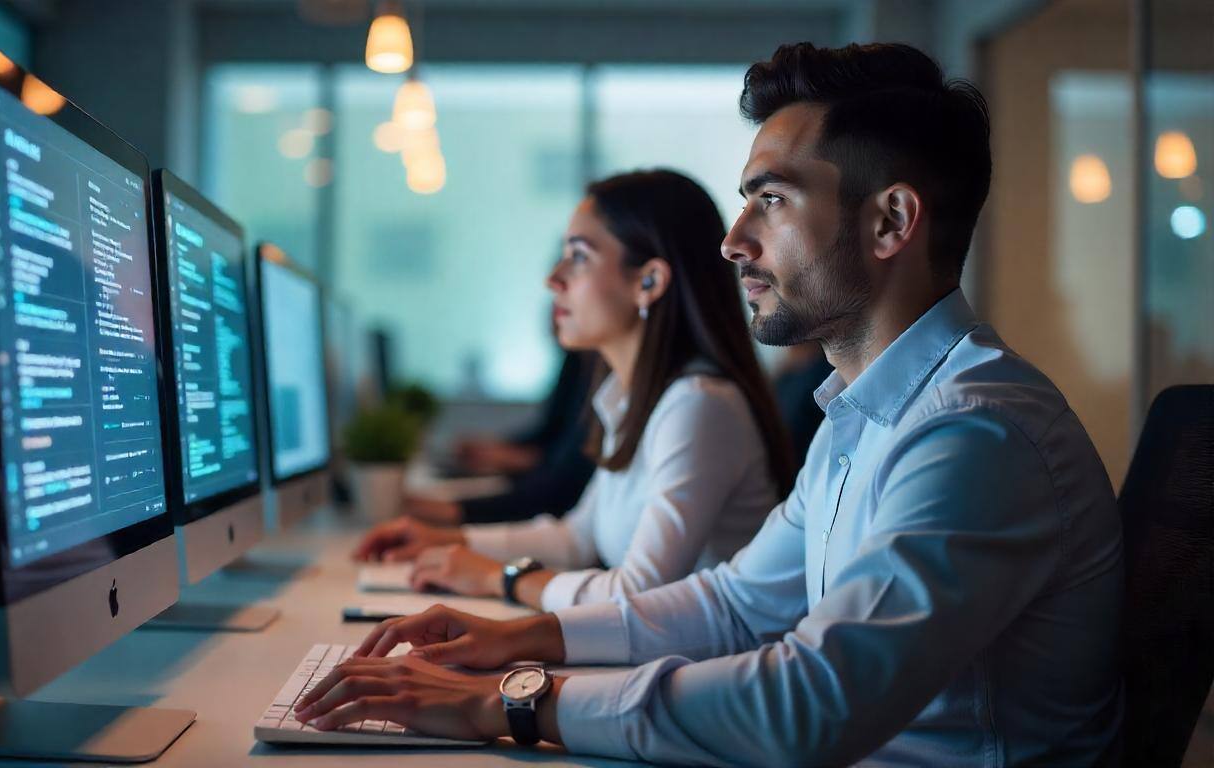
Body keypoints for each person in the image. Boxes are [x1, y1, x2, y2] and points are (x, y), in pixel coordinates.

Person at [294, 42, 1123, 766]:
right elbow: (735, 603)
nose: (733, 241)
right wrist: (517, 639)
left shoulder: (972, 432)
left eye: (771, 198)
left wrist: (511, 699)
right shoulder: (865, 414)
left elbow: (811, 706)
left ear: (890, 222)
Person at [353, 169, 796, 612]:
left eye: (579, 257)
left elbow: (635, 594)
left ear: (648, 282)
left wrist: (495, 578)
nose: (554, 279)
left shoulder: (699, 405)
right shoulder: (631, 399)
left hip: (705, 668)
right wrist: (449, 542)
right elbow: (577, 537)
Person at [408, 344, 600, 526]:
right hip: (543, 507)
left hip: (543, 506)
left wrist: (457, 510)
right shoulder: (578, 363)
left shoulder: (602, 384)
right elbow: (548, 434)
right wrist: (498, 449)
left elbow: (561, 486)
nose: (556, 309)